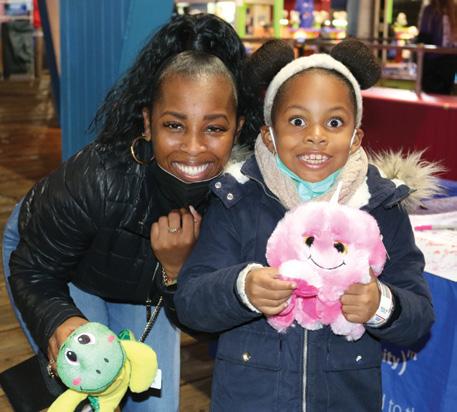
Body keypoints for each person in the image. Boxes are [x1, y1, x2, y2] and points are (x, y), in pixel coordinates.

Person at [174, 39, 436, 411]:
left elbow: (419, 317)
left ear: (356, 137)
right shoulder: (238, 200)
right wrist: (241, 288)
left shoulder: (381, 208)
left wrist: (382, 305)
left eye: (334, 122)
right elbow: (191, 303)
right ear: (269, 135)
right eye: (297, 121)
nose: (316, 135)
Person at [6, 13, 249, 412]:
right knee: (88, 395)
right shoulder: (98, 179)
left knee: (154, 407)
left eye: (214, 128)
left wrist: (177, 271)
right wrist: (60, 321)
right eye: (174, 125)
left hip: (146, 289)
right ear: (148, 123)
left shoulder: (236, 200)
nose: (193, 147)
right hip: (61, 267)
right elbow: (35, 268)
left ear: (237, 129)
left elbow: (205, 324)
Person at [418, 0, 457, 94]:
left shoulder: (430, 10)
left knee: (430, 93)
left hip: (433, 59)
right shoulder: (453, 9)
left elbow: (424, 35)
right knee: (444, 93)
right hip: (449, 59)